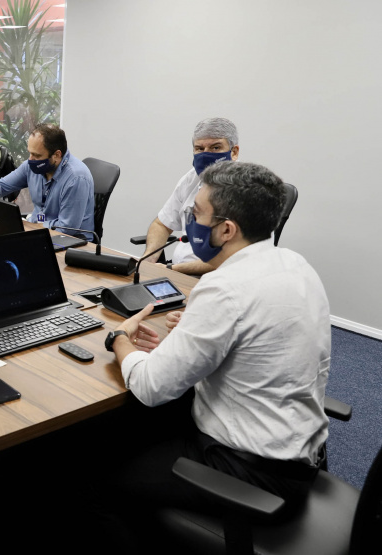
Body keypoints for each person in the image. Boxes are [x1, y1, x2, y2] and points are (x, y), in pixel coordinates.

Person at [101, 161, 329, 547]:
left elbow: (151, 387)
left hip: (248, 475)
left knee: (96, 472)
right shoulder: (295, 264)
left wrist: (119, 339)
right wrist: (182, 348)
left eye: (197, 213)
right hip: (301, 451)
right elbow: (254, 352)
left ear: (226, 229)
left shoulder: (224, 287)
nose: (188, 220)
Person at [0, 124, 94, 239]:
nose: (30, 159)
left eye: (37, 155)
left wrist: (31, 228)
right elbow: (1, 186)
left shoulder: (76, 178)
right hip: (37, 231)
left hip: (70, 242)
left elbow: (66, 229)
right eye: (30, 153)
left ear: (57, 155)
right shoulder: (33, 165)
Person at [142, 117, 240, 276]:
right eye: (199, 149)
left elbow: (229, 258)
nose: (206, 154)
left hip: (218, 279)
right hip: (177, 273)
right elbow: (162, 224)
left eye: (215, 147)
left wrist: (170, 270)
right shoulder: (191, 178)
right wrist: (149, 260)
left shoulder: (247, 189)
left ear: (234, 152)